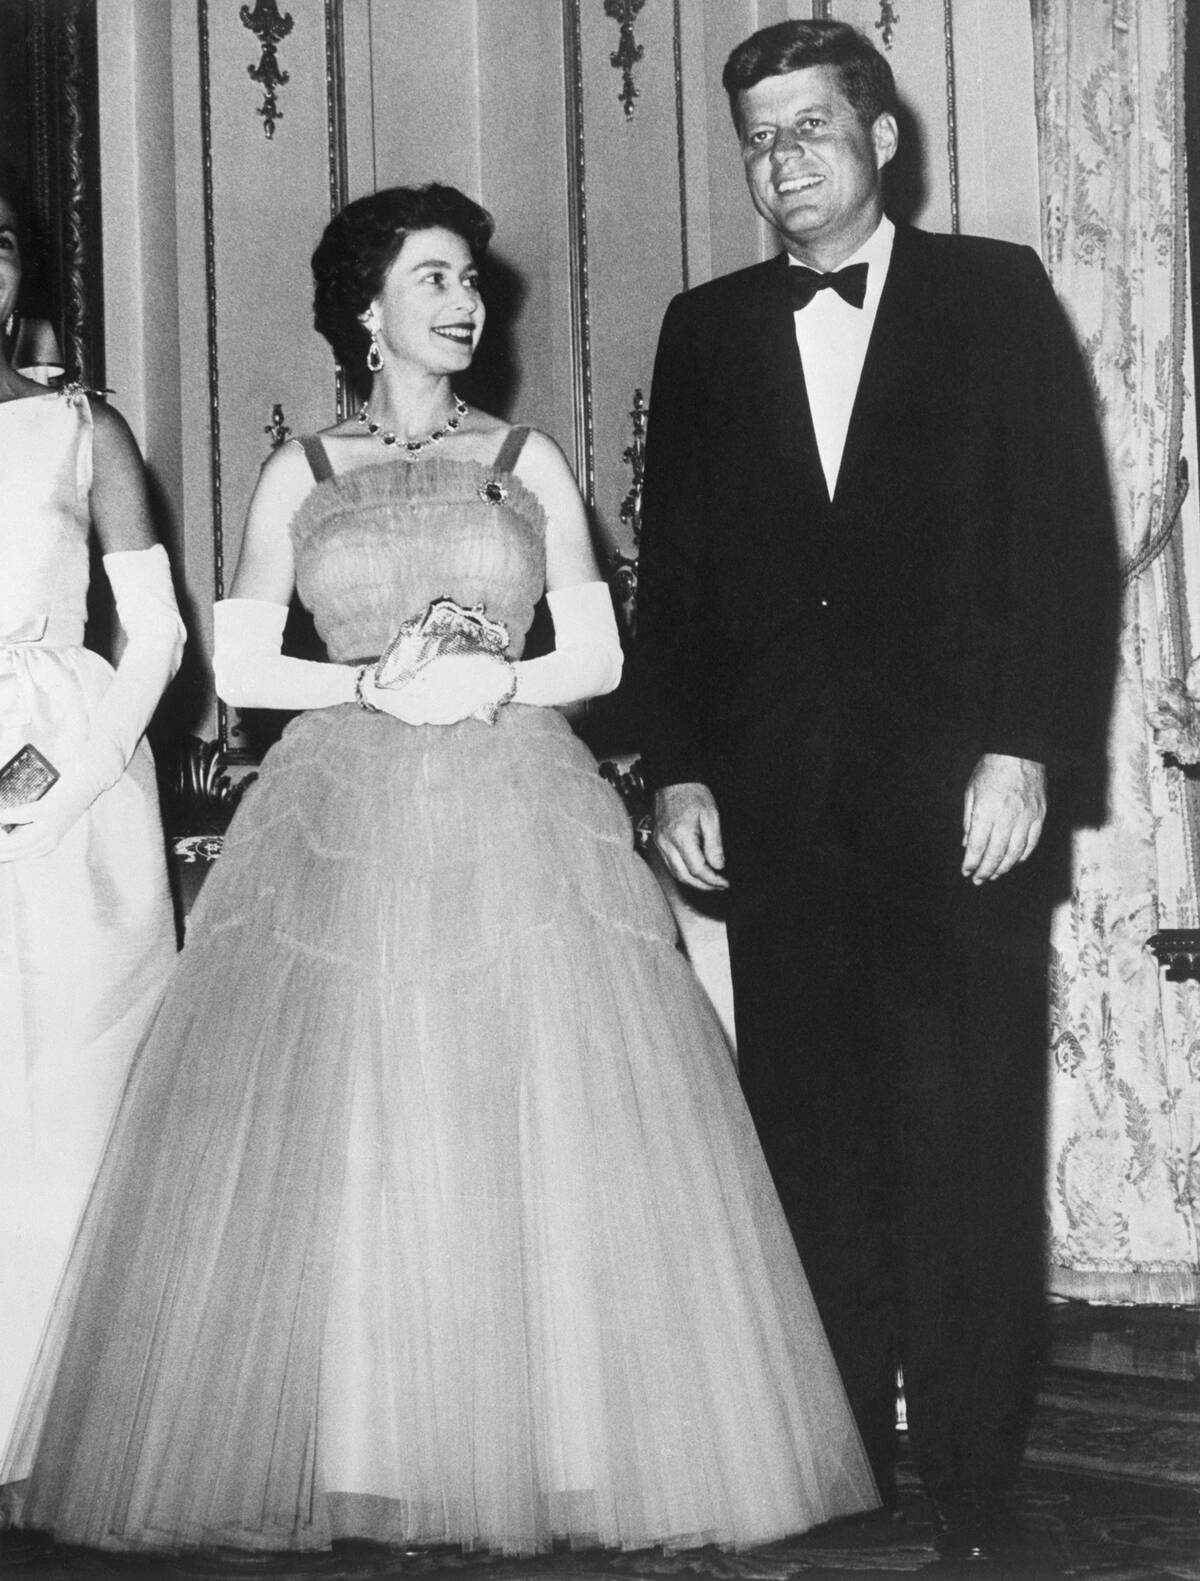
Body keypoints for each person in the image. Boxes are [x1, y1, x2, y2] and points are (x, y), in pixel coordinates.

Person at [2, 183, 876, 1557]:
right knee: (364, 1112)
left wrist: (483, 677)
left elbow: (597, 654)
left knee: (519, 1104)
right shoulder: (305, 471)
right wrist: (373, 682)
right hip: (342, 809)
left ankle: (552, 1441)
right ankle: (369, 1442)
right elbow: (234, 659)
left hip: (518, 797)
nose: (465, 301)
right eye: (433, 278)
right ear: (367, 306)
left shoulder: (526, 460)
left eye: (471, 278)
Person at [635, 20, 1118, 1566]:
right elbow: (683, 573)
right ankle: (837, 1450)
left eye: (811, 129)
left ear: (881, 135)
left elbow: (1060, 543)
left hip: (958, 801)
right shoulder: (702, 329)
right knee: (813, 1142)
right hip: (777, 807)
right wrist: (679, 761)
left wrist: (1025, 745)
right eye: (760, 136)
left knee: (965, 1137)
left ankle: (976, 1476)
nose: (784, 161)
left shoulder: (993, 294)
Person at [0, 165, 184, 1462]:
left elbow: (161, 628)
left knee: (65, 1107)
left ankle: (55, 1426)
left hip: (64, 778)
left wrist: (65, 771)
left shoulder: (81, 427)